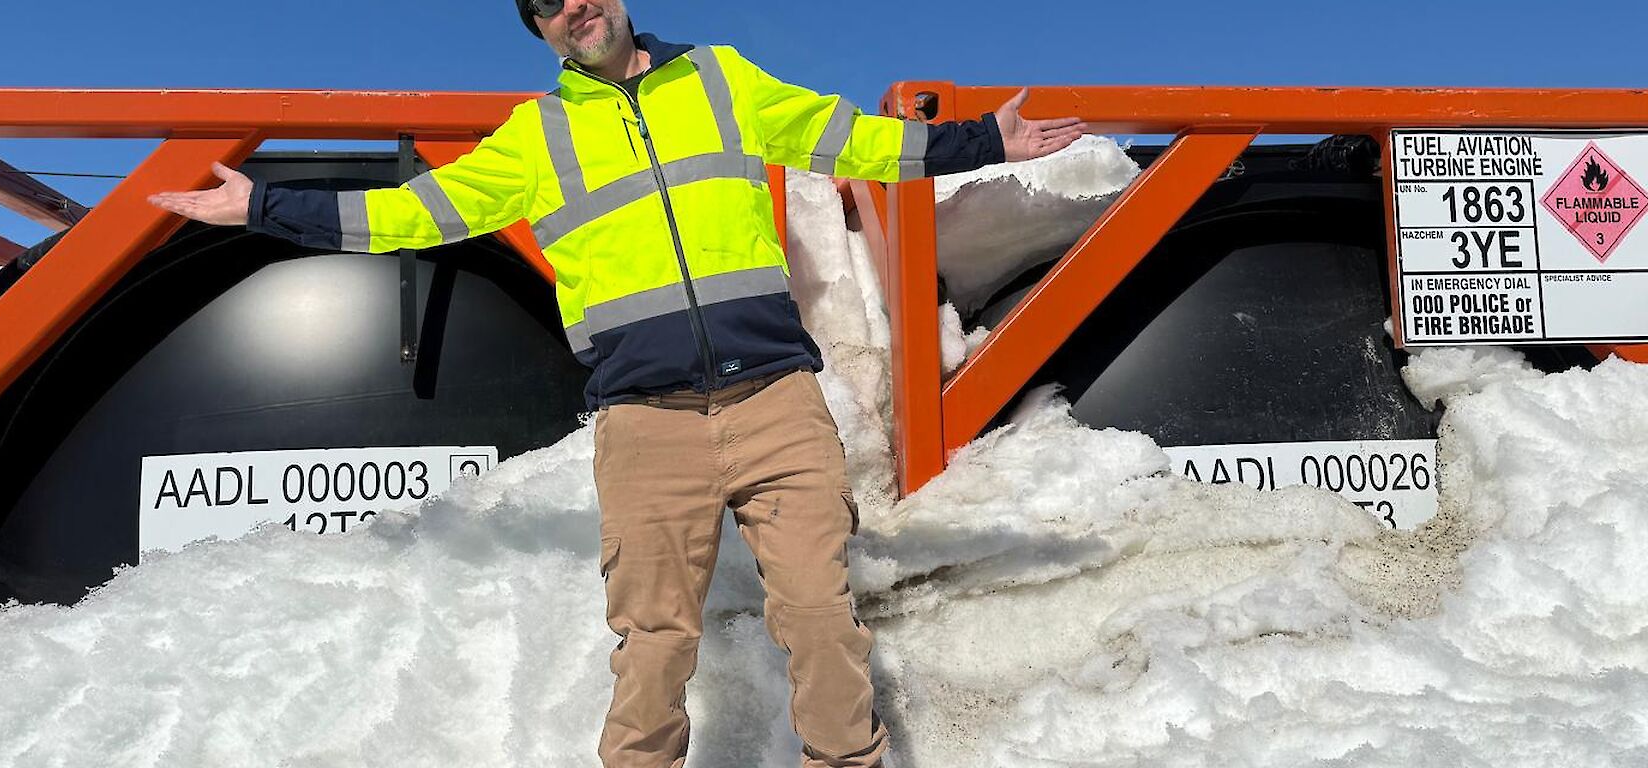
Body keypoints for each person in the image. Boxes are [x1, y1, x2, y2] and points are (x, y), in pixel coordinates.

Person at [149, 2, 1084, 765]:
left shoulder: (723, 80)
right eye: (546, 7)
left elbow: (855, 143)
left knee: (819, 619)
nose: (572, 9)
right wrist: (263, 205)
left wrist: (982, 140)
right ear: (542, 32)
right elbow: (413, 215)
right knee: (654, 645)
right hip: (647, 426)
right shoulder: (535, 138)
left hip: (774, 402)